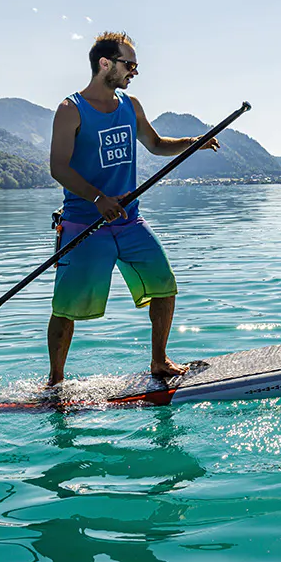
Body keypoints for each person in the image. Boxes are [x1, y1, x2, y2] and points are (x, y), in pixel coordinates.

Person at [46, 31, 220, 386]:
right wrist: (97, 198)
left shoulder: (131, 105)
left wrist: (192, 142)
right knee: (66, 309)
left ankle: (159, 361)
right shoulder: (70, 110)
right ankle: (56, 380)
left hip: (129, 221)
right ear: (104, 64)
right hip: (84, 225)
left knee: (164, 286)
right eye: (130, 64)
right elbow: (58, 167)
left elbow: (154, 144)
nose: (135, 72)